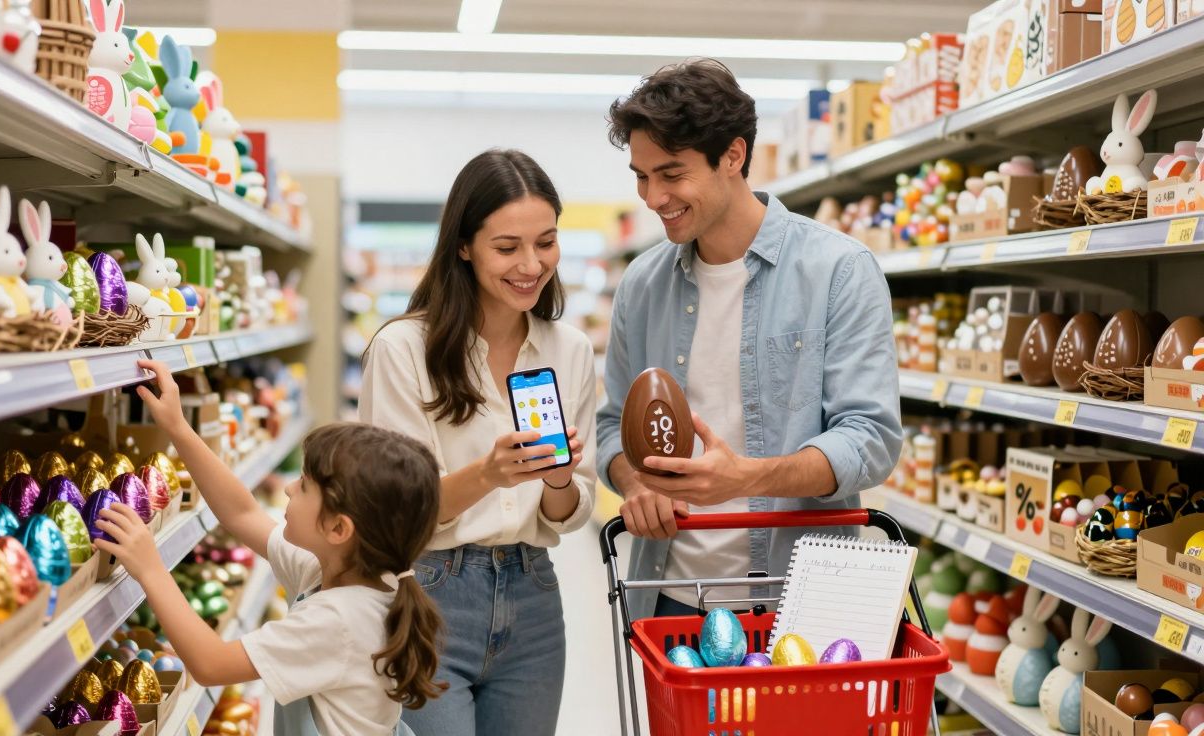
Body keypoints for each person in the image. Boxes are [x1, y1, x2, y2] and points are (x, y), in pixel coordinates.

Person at [597, 59, 902, 618]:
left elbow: (870, 439)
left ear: (733, 157)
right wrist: (633, 482)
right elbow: (610, 426)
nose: (652, 197)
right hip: (668, 599)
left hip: (798, 602)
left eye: (671, 174)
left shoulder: (839, 271)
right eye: (642, 176)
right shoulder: (641, 285)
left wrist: (747, 478)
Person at [359, 149, 597, 735]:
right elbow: (395, 515)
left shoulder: (569, 351)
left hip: (534, 594)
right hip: (429, 595)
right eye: (507, 246)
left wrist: (560, 480)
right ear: (463, 245)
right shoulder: (402, 350)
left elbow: (568, 517)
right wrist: (487, 475)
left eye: (546, 242)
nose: (531, 264)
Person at [95, 359, 444, 736]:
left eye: (305, 486)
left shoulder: (338, 621)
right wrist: (178, 427)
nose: (289, 488)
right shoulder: (344, 573)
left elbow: (211, 664)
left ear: (338, 528)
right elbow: (241, 512)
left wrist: (151, 569)